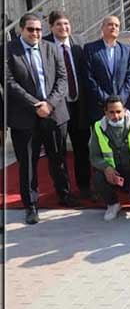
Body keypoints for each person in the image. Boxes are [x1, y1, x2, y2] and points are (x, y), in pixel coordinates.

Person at [6, 13, 79, 224]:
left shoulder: (51, 48)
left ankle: (64, 194)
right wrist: (36, 105)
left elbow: (62, 79)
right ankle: (31, 205)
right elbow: (9, 82)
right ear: (21, 30)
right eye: (31, 29)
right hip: (25, 117)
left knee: (58, 158)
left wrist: (49, 104)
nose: (35, 33)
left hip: (54, 113)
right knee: (28, 163)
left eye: (38, 29)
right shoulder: (9, 51)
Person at [44, 10, 91, 198]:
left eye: (66, 24)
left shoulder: (79, 42)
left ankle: (85, 187)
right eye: (59, 25)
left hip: (78, 104)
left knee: (81, 149)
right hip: (58, 107)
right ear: (51, 27)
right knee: (59, 152)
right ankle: (64, 192)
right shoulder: (45, 44)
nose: (63, 28)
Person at [89, 96, 130, 222]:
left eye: (118, 112)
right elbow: (94, 156)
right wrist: (106, 168)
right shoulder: (98, 127)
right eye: (111, 112)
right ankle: (113, 204)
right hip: (114, 173)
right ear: (105, 112)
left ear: (124, 110)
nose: (115, 116)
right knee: (98, 177)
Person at [84, 15, 130, 122]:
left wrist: (120, 101)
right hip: (99, 107)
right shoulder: (90, 49)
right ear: (102, 28)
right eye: (110, 24)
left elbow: (129, 76)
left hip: (122, 108)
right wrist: (106, 100)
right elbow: (89, 77)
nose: (114, 27)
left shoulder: (126, 50)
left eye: (117, 25)